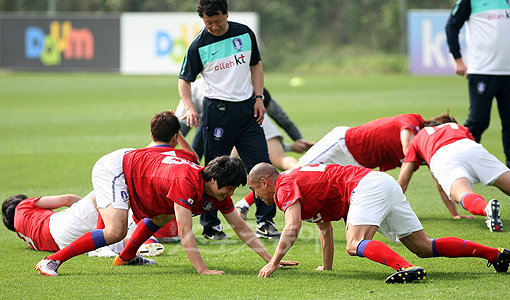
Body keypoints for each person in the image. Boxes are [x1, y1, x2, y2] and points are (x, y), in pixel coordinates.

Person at [35, 111, 298, 276]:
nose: (229, 194)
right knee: (115, 231)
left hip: (138, 168)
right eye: (228, 188)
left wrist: (271, 259)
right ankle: (51, 261)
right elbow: (185, 231)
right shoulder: (187, 182)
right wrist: (202, 269)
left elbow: (241, 227)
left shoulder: (215, 188)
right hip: (115, 168)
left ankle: (126, 257)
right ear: (214, 179)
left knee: (161, 216)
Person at [248, 162, 510, 283]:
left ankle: (406, 268)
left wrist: (272, 262)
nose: (256, 197)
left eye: (254, 190)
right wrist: (326, 268)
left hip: (365, 187)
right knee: (423, 245)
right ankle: (496, 255)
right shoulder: (296, 181)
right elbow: (325, 228)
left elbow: (292, 226)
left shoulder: (283, 187)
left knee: (355, 244)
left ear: (265, 182)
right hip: (380, 183)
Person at [178, 0, 279, 240]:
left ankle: (266, 221)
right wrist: (190, 107)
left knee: (261, 164)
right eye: (208, 22)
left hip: (248, 111)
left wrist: (258, 97)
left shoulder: (244, 33)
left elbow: (256, 65)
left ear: (226, 14)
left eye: (218, 21)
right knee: (214, 169)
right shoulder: (198, 45)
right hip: (217, 112)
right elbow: (184, 79)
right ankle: (211, 225)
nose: (213, 26)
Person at [397, 118, 510, 232]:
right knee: (505, 179)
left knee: (463, 193)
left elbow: (403, 182)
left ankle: (487, 209)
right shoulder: (456, 127)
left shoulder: (419, 137)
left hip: (443, 156)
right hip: (470, 146)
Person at [445, 0, 510, 167]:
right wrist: (458, 59)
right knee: (479, 121)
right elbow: (451, 26)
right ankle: (459, 163)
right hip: (482, 71)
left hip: (508, 73)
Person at [1, 192, 164, 257]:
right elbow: (67, 200)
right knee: (103, 194)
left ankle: (145, 242)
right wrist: (91, 207)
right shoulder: (22, 206)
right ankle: (137, 226)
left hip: (64, 243)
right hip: (60, 225)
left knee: (117, 237)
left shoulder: (25, 236)